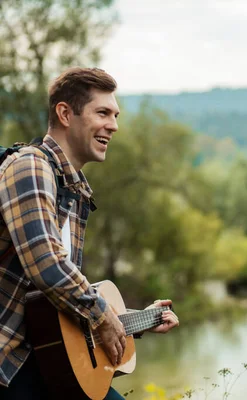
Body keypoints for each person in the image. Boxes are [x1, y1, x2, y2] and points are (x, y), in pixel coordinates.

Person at [0, 67, 179, 400]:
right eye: (103, 113)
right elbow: (47, 265)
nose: (114, 125)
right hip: (10, 362)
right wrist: (102, 316)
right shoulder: (30, 165)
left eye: (115, 115)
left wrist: (136, 320)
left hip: (45, 360)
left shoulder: (76, 191)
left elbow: (60, 309)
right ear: (65, 113)